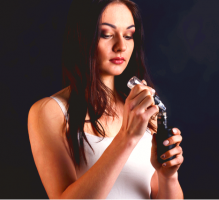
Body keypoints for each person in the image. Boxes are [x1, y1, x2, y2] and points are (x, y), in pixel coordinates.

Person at [27, 0, 184, 198]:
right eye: (107, 34)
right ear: (83, 37)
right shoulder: (49, 112)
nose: (121, 46)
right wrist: (127, 138)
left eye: (128, 35)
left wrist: (168, 175)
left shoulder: (141, 109)